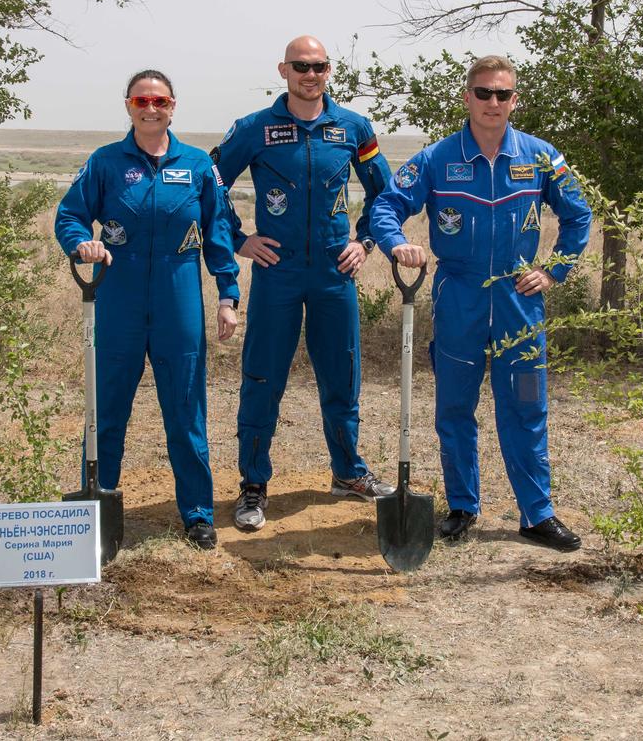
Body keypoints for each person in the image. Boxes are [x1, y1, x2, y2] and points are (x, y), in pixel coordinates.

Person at [369, 55, 592, 550]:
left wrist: (553, 271)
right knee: (454, 407)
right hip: (459, 296)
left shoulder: (540, 157)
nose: (494, 103)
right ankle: (463, 507)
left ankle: (537, 514)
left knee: (526, 407)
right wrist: (396, 243)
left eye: (503, 94)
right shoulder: (435, 158)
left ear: (515, 101)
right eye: (484, 93)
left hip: (519, 300)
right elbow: (385, 206)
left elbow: (580, 216)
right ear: (467, 97)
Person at [212, 35, 395, 532]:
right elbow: (210, 184)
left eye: (318, 66)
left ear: (328, 71)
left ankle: (348, 472)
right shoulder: (254, 128)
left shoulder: (353, 127)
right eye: (301, 66)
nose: (310, 75)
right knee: (263, 378)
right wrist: (240, 240)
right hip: (277, 272)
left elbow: (385, 194)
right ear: (283, 70)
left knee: (342, 376)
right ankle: (253, 484)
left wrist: (366, 242)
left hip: (336, 274)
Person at [55, 69, 240, 550]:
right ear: (129, 106)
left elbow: (218, 232)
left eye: (160, 100)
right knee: (107, 406)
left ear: (173, 105)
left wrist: (227, 295)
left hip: (178, 291)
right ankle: (94, 510)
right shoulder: (106, 162)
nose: (151, 108)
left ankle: (197, 513)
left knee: (185, 408)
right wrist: (81, 244)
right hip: (119, 293)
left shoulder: (198, 166)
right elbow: (71, 214)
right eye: (142, 100)